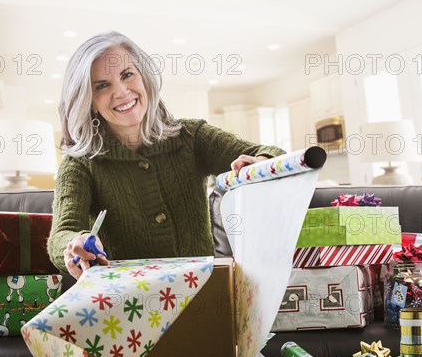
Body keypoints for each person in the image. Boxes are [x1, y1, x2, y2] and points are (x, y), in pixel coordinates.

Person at [48, 31, 285, 280]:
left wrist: (262, 163)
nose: (121, 92)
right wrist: (75, 243)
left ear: (144, 77)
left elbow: (271, 154)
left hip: (203, 293)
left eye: (127, 74)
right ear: (89, 101)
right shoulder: (79, 164)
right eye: (102, 86)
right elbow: (62, 234)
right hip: (126, 304)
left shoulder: (192, 136)